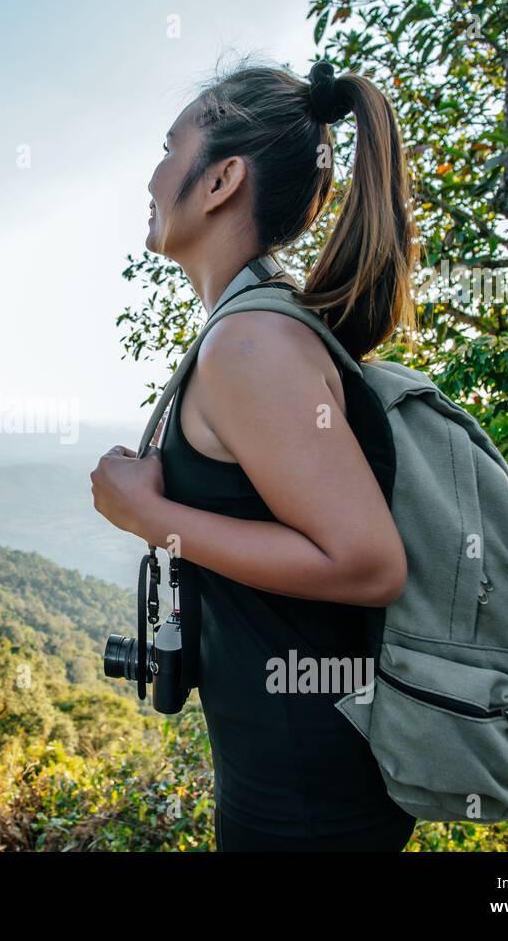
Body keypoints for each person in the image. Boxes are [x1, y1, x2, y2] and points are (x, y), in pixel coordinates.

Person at [90, 57, 420, 851]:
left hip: (305, 801)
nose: (152, 174)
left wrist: (151, 516)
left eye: (170, 147)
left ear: (220, 180)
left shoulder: (250, 343)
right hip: (301, 774)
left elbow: (368, 563)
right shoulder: (255, 325)